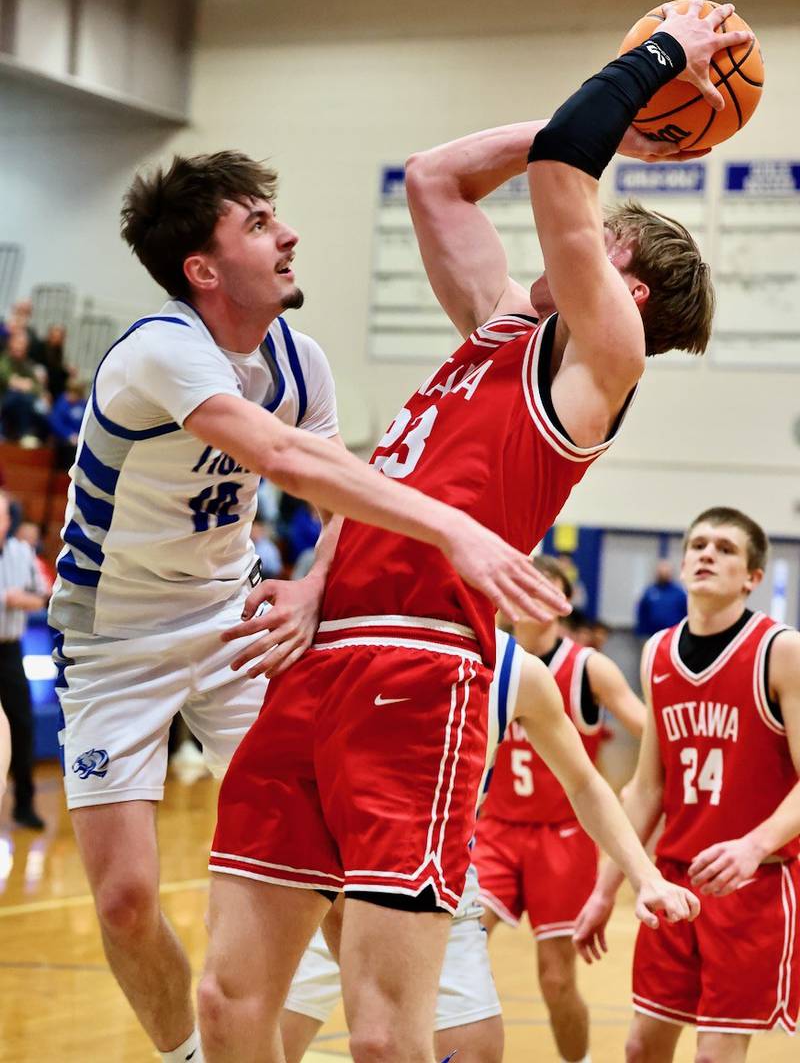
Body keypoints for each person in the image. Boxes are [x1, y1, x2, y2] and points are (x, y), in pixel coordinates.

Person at [200, 0, 746, 1063]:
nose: (572, 229)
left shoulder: (602, 356)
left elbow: (555, 183)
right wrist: (606, 120)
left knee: (381, 1031)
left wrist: (656, 61)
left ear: (622, 288)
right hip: (315, 657)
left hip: (419, 666)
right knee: (227, 999)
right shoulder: (499, 322)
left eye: (600, 234)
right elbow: (433, 176)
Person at [48, 151, 560, 1063]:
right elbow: (290, 463)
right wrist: (456, 529)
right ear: (202, 271)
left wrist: (316, 585)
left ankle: (414, 1031)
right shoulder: (161, 351)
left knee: (316, 866)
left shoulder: (299, 357)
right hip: (114, 638)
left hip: (236, 618)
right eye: (256, 224)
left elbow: (340, 503)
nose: (286, 234)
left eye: (274, 214)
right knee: (124, 902)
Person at [281, 623, 694, 1063]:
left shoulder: (522, 670)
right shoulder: (350, 628)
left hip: (448, 878)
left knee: (493, 1031)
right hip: (336, 880)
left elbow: (586, 783)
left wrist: (644, 874)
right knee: (267, 1036)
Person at [574, 506, 800, 1063]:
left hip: (755, 885)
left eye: (725, 549)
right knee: (640, 1048)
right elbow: (649, 789)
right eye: (697, 545)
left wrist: (754, 845)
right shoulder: (657, 654)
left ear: (752, 577)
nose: (706, 554)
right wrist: (607, 889)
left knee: (712, 1056)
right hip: (675, 883)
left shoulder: (782, 651)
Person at [473, 554, 645, 1063]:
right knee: (455, 950)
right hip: (495, 832)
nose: (537, 597)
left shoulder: (589, 668)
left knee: (555, 978)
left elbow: (653, 732)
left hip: (563, 838)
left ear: (562, 603)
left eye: (549, 588)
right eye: (528, 586)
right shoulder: (486, 656)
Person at [0, 490, 50, 829]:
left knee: (22, 723)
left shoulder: (22, 553)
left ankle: (25, 803)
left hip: (9, 649)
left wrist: (23, 600)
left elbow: (43, 596)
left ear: (8, 520)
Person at [635, 559, 687, 638]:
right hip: (651, 635)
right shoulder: (649, 591)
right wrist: (641, 632)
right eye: (661, 572)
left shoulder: (679, 593)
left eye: (666, 572)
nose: (664, 574)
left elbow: (686, 613)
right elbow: (642, 612)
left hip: (674, 636)